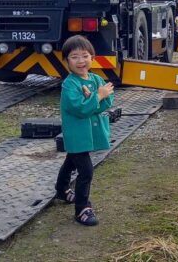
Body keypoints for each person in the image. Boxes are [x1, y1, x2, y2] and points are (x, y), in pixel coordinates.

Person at [54, 35, 114, 226]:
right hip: (77, 133)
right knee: (86, 171)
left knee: (71, 160)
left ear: (93, 57)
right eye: (74, 57)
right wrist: (96, 97)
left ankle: (61, 190)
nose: (81, 61)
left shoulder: (96, 79)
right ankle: (82, 209)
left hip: (90, 133)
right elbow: (80, 109)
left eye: (85, 55)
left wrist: (95, 98)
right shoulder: (69, 84)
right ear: (66, 61)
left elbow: (106, 103)